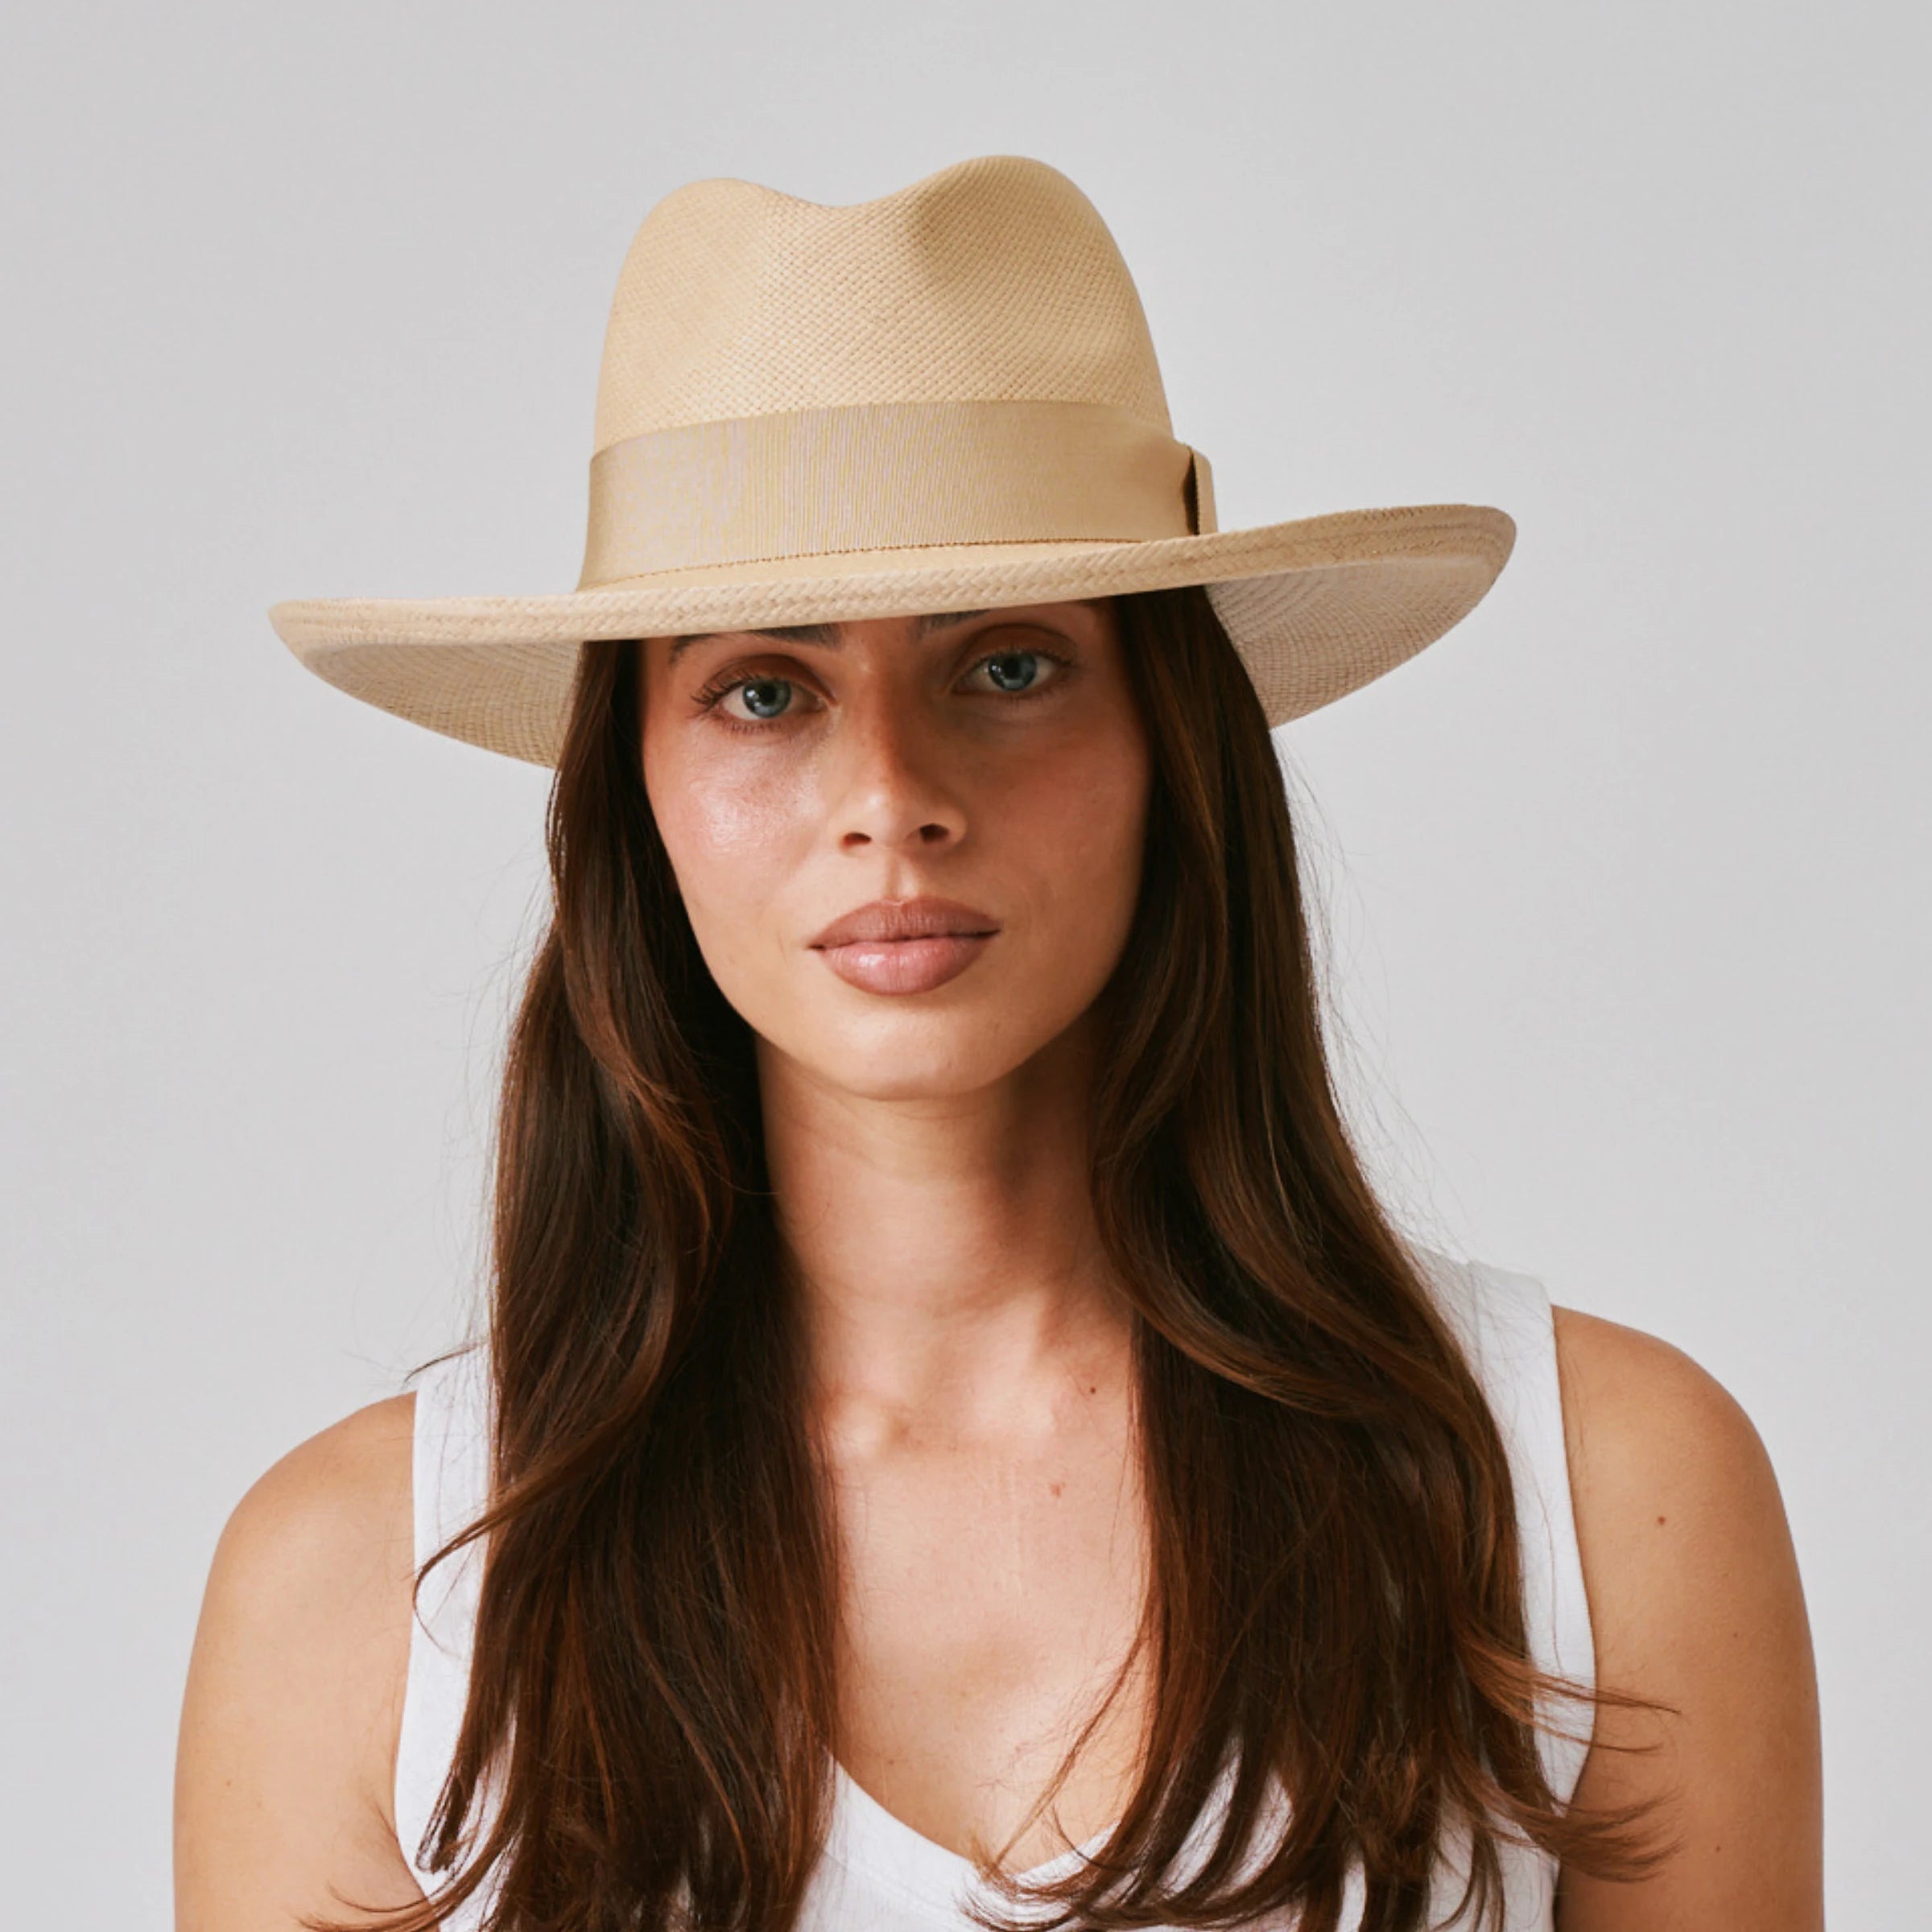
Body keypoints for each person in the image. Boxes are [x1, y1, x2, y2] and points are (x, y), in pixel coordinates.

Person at [175, 156, 1822, 1931]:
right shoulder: (364, 1593)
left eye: (1010, 665)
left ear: (1171, 739)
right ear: (632, 786)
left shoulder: (1602, 1501)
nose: (892, 795)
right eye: (763, 689)